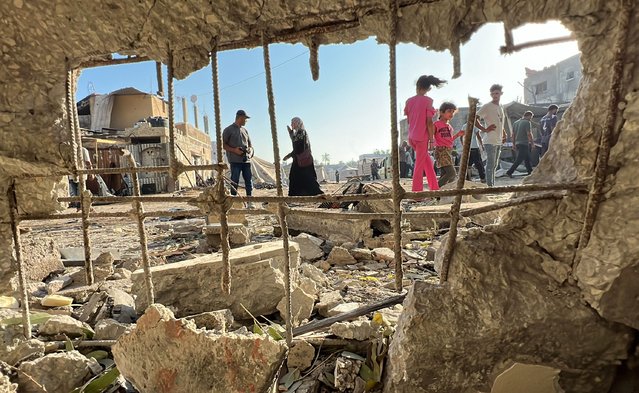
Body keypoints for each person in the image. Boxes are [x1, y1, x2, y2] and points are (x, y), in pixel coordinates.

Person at [404, 75, 445, 193]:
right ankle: (417, 193)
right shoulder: (428, 101)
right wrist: (431, 139)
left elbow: (409, 120)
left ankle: (434, 188)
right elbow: (429, 122)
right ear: (428, 89)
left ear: (417, 86)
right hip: (422, 137)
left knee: (426, 163)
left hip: (412, 137)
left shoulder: (409, 101)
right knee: (419, 166)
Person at [475, 84, 507, 187]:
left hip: (498, 140)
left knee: (495, 165)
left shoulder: (501, 107)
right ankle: (489, 186)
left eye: (497, 93)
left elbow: (500, 122)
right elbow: (474, 118)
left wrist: (504, 133)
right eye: (492, 94)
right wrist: (484, 129)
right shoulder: (487, 106)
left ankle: (492, 185)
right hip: (490, 140)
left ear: (501, 93)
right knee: (490, 164)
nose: (494, 95)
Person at [282, 117, 323, 196]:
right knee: (299, 177)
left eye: (293, 123)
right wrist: (291, 134)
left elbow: (299, 148)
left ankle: (309, 193)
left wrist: (289, 155)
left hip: (303, 159)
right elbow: (296, 144)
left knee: (303, 177)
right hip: (300, 159)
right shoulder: (299, 133)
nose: (291, 125)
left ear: (298, 123)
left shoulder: (301, 132)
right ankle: (301, 194)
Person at [222, 110, 254, 200]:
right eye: (245, 119)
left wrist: (249, 149)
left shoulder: (245, 131)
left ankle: (250, 200)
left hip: (246, 160)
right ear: (240, 118)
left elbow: (250, 145)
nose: (246, 121)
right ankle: (234, 201)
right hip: (235, 161)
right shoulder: (228, 130)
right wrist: (234, 150)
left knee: (249, 181)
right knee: (234, 181)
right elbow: (223, 145)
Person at [433, 102, 464, 187]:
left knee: (444, 174)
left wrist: (458, 135)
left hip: (448, 150)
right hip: (441, 150)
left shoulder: (450, 127)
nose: (451, 113)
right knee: (451, 173)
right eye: (449, 111)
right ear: (442, 112)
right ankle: (435, 191)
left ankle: (439, 195)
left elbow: (449, 140)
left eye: (453, 112)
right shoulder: (437, 124)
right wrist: (430, 143)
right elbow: (431, 134)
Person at [506, 111, 535, 177]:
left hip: (517, 143)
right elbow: (529, 133)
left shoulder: (515, 123)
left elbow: (513, 135)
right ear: (528, 116)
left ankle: (530, 171)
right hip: (524, 143)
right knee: (519, 159)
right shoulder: (527, 122)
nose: (531, 119)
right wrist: (532, 143)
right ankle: (509, 172)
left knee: (527, 158)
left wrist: (513, 144)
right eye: (531, 117)